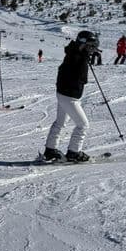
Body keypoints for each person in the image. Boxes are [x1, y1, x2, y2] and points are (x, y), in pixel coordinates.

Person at [44, 30, 99, 163]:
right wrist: (85, 58)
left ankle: (50, 150)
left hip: (64, 94)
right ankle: (74, 152)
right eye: (90, 46)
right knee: (83, 125)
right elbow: (82, 78)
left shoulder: (74, 53)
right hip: (70, 96)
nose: (91, 49)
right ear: (84, 44)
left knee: (60, 122)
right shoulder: (77, 57)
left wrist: (85, 56)